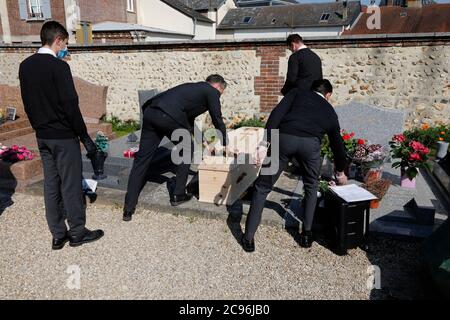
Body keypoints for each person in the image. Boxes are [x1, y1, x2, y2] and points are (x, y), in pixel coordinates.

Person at [19, 21, 104, 250]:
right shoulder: (59, 67)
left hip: (42, 135)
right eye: (65, 43)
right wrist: (84, 136)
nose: (65, 47)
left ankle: (57, 234)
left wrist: (38, 126)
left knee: (51, 184)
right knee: (70, 184)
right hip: (63, 136)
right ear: (58, 40)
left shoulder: (25, 66)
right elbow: (70, 106)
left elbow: (27, 103)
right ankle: (77, 232)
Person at [241, 79, 348, 253]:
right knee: (311, 186)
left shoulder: (297, 93)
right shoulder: (329, 109)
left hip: (283, 140)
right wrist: (340, 170)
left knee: (262, 187)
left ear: (312, 88)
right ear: (328, 95)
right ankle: (306, 234)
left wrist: (264, 143)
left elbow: (276, 115)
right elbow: (337, 144)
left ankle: (249, 238)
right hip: (310, 146)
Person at [123, 75, 229, 221]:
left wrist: (203, 142)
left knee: (141, 159)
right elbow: (217, 118)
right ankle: (178, 195)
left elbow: (188, 121)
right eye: (220, 93)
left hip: (150, 112)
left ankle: (128, 209)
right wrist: (225, 142)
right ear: (218, 87)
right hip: (168, 116)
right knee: (187, 149)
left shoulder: (193, 89)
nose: (218, 97)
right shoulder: (211, 91)